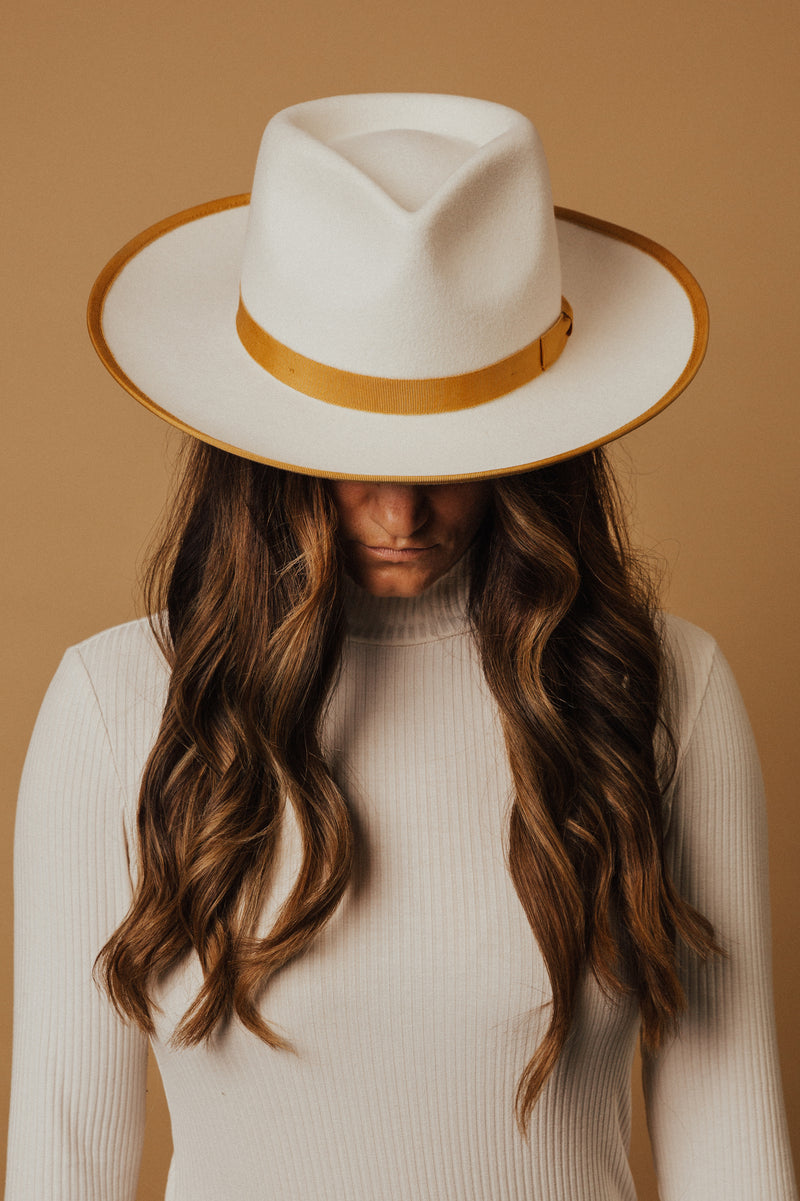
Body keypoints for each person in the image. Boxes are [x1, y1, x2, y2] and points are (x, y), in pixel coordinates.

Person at [5, 93, 797, 1201]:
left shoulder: (659, 691)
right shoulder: (114, 704)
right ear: (263, 451)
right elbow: (61, 1163)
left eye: (451, 454)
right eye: (346, 452)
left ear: (531, 448)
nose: (397, 514)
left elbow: (731, 1155)